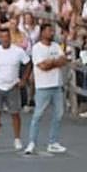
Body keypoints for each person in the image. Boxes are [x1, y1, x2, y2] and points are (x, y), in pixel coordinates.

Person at [0, 28, 30, 151]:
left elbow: (28, 63)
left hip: (13, 85)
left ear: (10, 38)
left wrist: (23, 79)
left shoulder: (18, 51)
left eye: (7, 37)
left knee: (15, 113)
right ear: (0, 38)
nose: (5, 39)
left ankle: (17, 138)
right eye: (2, 37)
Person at [25, 23, 67, 155]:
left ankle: (53, 142)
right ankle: (32, 142)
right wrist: (55, 62)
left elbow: (63, 60)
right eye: (49, 31)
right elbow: (42, 66)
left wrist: (51, 62)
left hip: (57, 84)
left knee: (58, 114)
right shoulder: (37, 48)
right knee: (38, 114)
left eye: (52, 31)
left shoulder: (56, 46)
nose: (52, 33)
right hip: (43, 85)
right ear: (42, 32)